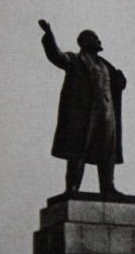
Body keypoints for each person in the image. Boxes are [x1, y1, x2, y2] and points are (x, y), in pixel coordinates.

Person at [39, 19, 128, 199]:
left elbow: (119, 84)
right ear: (85, 42)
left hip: (107, 114)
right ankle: (72, 188)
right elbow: (56, 56)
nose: (99, 40)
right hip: (85, 114)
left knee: (107, 152)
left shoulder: (106, 66)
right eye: (95, 38)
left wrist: (121, 80)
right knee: (78, 150)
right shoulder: (75, 60)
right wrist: (49, 35)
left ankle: (108, 187)